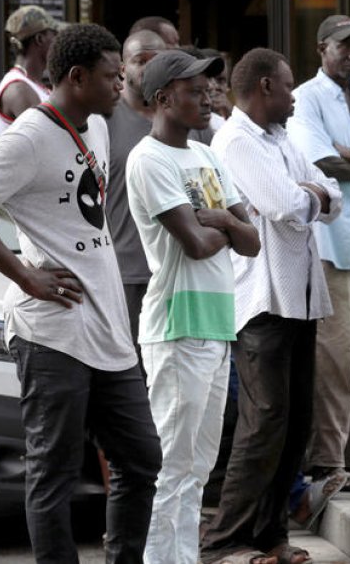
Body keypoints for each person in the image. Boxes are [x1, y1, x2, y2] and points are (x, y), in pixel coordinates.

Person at [0, 23, 161, 564]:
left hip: (106, 325)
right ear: (77, 76)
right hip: (52, 331)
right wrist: (23, 276)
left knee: (141, 459)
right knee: (54, 473)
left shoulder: (99, 127)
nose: (120, 86)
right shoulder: (29, 135)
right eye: (112, 76)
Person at [199, 48, 341, 564]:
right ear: (263, 87)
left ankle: (270, 534)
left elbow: (331, 196)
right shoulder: (235, 140)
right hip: (262, 300)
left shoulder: (282, 139)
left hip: (301, 297)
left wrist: (311, 195)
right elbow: (286, 206)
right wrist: (310, 196)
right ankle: (224, 541)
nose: (294, 96)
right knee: (264, 422)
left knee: (295, 422)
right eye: (286, 86)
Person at [126, 50, 260, 563]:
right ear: (163, 98)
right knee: (172, 465)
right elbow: (194, 244)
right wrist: (224, 224)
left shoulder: (206, 155)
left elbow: (250, 241)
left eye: (208, 89)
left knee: (199, 467)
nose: (207, 98)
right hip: (177, 325)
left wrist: (221, 221)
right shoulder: (149, 159)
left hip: (217, 323)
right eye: (194, 90)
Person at [288, 15, 350, 489]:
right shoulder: (305, 96)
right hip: (328, 243)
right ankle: (327, 461)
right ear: (322, 48)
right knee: (336, 356)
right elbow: (316, 161)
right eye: (344, 46)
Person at [107, 30, 217, 344]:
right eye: (139, 61)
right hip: (128, 270)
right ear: (122, 69)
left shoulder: (190, 122)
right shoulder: (105, 119)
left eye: (155, 61)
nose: (148, 69)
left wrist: (225, 224)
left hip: (188, 272)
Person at [0, 5, 60, 139]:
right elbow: (47, 143)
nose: (58, 42)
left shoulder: (31, 83)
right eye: (55, 35)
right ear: (40, 39)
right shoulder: (19, 90)